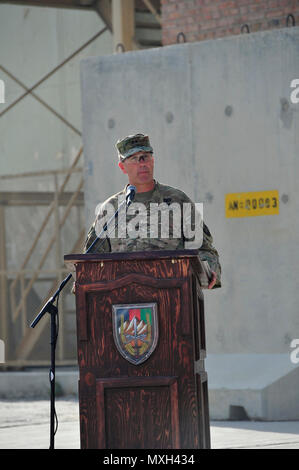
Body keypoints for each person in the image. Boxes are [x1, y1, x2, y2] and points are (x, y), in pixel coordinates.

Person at [83, 133, 221, 289]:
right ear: (122, 167)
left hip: (174, 297)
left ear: (152, 160)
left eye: (145, 156)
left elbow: (204, 250)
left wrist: (209, 270)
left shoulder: (177, 200)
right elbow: (90, 263)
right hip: (124, 301)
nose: (142, 163)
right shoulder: (111, 209)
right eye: (134, 159)